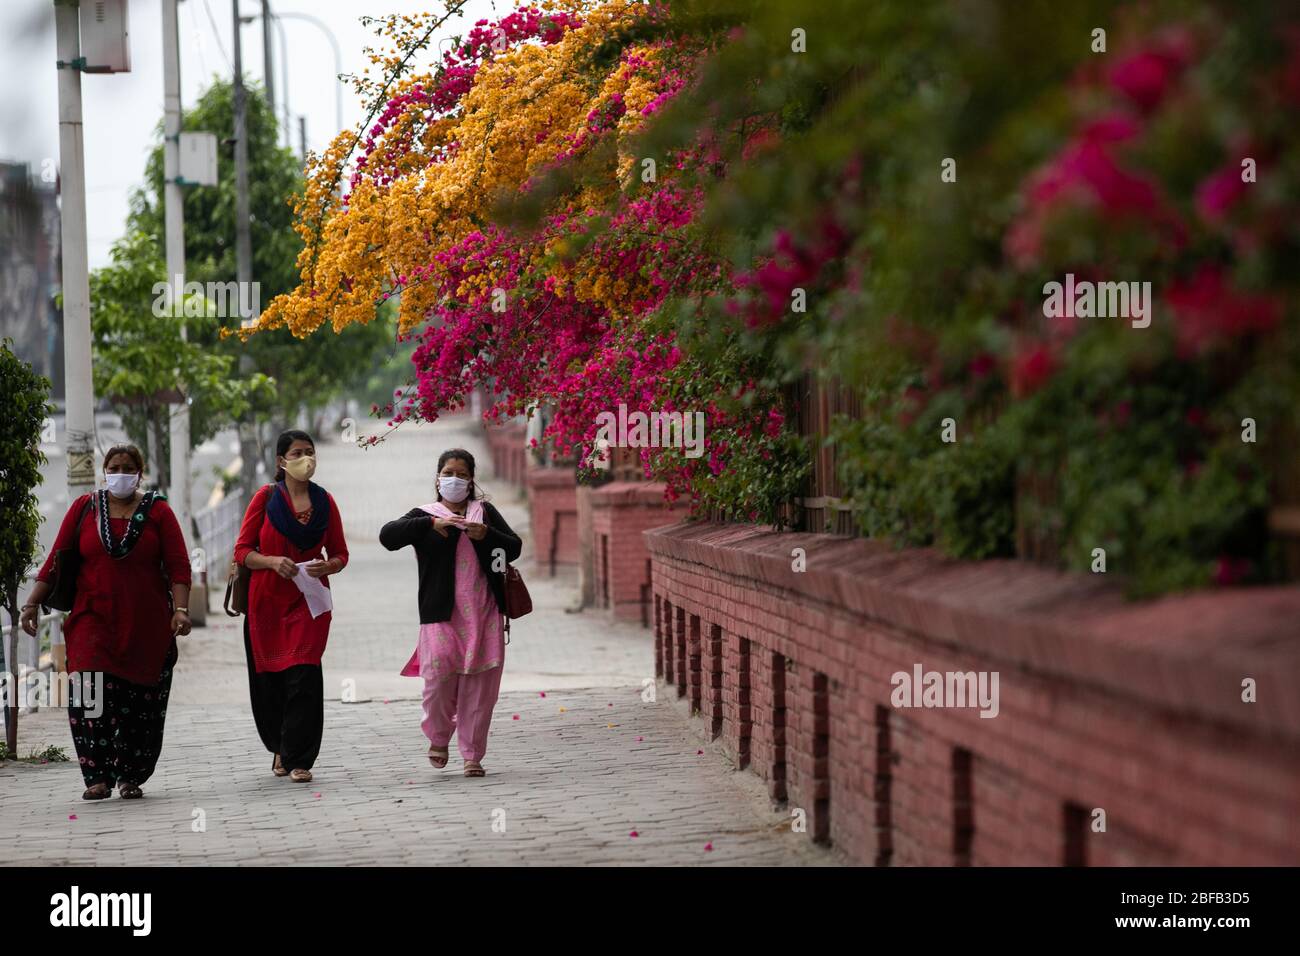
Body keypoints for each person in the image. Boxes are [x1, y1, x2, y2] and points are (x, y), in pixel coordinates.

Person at [21, 445, 192, 800]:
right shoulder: (84, 509)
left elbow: (178, 565)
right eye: (113, 467)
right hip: (91, 623)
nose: (120, 472)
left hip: (145, 628)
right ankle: (96, 776)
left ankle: (130, 775)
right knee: (88, 694)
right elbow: (56, 558)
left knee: (139, 704)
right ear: (104, 470)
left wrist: (181, 610)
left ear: (140, 473)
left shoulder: (158, 512)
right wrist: (32, 603)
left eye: (128, 467)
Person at [380, 448, 522, 777]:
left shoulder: (483, 513)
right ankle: (439, 736)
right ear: (437, 478)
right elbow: (387, 536)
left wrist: (487, 536)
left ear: (471, 480)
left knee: (481, 687)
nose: (454, 479)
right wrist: (430, 523)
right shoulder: (424, 515)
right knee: (438, 678)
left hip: (484, 613)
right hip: (439, 615)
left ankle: (472, 754)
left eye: (461, 474)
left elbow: (511, 549)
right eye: (448, 472)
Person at [234, 430, 348, 783]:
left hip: (309, 603)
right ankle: (280, 746)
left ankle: (300, 758)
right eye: (298, 452)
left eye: (310, 452)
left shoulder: (325, 502)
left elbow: (341, 554)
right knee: (271, 683)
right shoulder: (265, 499)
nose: (306, 459)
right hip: (266, 604)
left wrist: (327, 566)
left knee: (304, 677)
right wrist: (270, 562)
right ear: (281, 461)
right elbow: (242, 551)